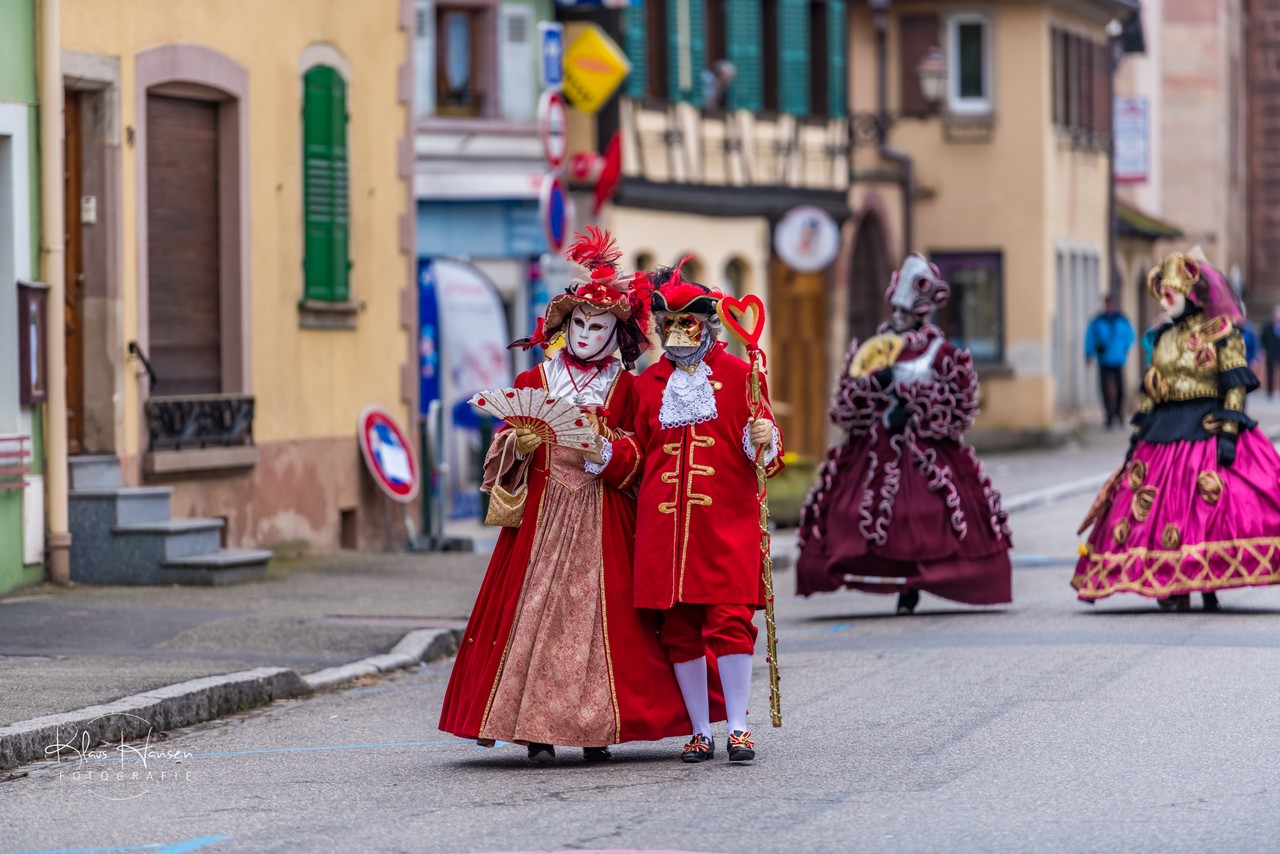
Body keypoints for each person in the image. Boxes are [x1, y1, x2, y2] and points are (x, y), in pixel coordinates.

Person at [438, 228, 708, 763]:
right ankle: (536, 732)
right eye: (579, 324)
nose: (586, 334)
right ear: (564, 326)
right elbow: (501, 448)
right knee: (533, 617)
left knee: (601, 623)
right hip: (540, 520)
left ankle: (595, 730)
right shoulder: (533, 379)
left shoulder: (628, 388)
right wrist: (518, 443)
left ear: (616, 333)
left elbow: (644, 457)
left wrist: (609, 452)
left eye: (598, 325)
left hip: (603, 517)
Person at [584, 262, 783, 764]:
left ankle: (738, 728)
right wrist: (605, 452)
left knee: (731, 620)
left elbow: (766, 456)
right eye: (666, 324)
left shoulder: (742, 376)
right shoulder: (647, 384)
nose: (675, 333)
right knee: (677, 628)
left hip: (726, 526)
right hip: (663, 529)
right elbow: (636, 452)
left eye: (686, 323)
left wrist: (764, 437)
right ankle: (699, 730)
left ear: (707, 324)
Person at [795, 253, 1013, 615]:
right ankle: (894, 579)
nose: (897, 318)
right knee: (856, 514)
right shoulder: (872, 351)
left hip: (924, 449)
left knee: (926, 513)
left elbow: (959, 405)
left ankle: (920, 580)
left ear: (920, 313)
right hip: (874, 447)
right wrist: (872, 388)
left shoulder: (939, 352)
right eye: (895, 311)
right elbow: (846, 404)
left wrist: (912, 406)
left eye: (905, 312)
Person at [1073, 250, 1280, 610]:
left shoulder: (1221, 332)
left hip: (1208, 426)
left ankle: (1208, 586)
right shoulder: (1163, 338)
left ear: (1189, 294)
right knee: (1165, 509)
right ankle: (1175, 584)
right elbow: (1152, 390)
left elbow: (1234, 385)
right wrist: (1137, 435)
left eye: (1169, 295)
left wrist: (1229, 432)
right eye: (1161, 296)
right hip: (1165, 428)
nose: (1163, 303)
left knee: (1210, 506)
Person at [1084, 295, 1136, 428]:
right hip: (1104, 359)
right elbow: (1090, 338)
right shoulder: (1098, 321)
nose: (1109, 306)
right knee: (1105, 389)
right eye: (1107, 304)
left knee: (1120, 389)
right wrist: (1089, 354)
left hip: (1119, 360)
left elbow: (1130, 336)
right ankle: (1109, 416)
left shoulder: (1122, 320)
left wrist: (1125, 348)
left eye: (1111, 303)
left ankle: (1119, 414)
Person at [1259, 306, 1280, 397]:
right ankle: (1270, 391)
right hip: (1270, 351)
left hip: (1278, 352)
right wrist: (1263, 349)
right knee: (1270, 371)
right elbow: (1263, 339)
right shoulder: (1267, 326)